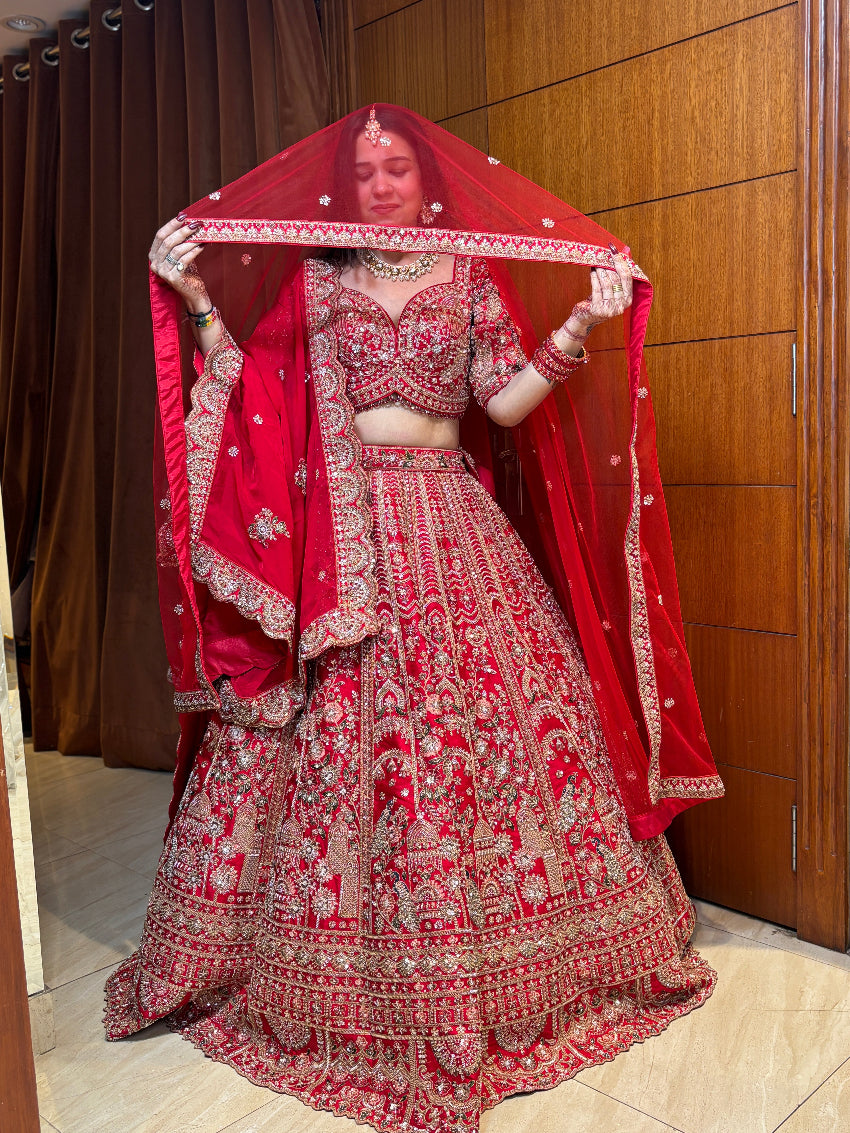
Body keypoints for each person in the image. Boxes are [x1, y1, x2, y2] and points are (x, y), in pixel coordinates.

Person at [104, 105, 722, 1133]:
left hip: (454, 521)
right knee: (343, 748)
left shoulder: (467, 272)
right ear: (343, 185)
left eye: (397, 167)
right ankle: (328, 972)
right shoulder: (315, 280)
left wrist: (579, 324)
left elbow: (502, 402)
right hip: (342, 543)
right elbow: (258, 400)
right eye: (365, 170)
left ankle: (533, 961)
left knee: (488, 738)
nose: (382, 183)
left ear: (426, 179)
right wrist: (198, 302)